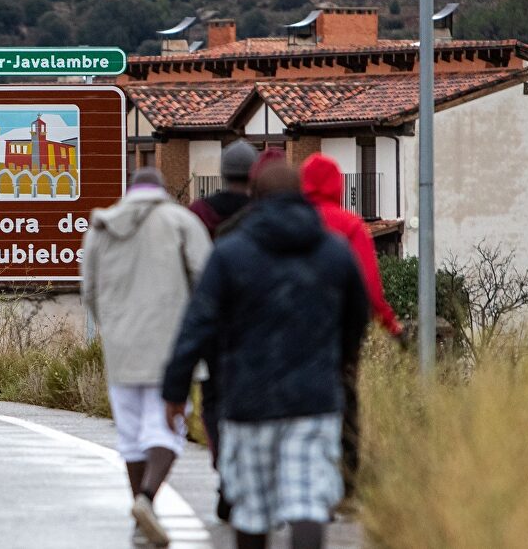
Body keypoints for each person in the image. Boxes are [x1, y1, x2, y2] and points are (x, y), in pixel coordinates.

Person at [162, 162, 369, 549]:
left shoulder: (229, 253)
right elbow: (357, 318)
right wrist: (339, 363)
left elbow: (197, 324)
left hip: (246, 396)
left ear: (254, 197)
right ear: (303, 196)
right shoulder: (335, 253)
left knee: (252, 507)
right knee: (308, 501)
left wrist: (175, 391)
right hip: (314, 396)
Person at [81, 167, 212, 547]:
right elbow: (205, 282)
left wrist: (113, 325)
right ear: (160, 191)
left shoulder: (100, 229)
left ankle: (141, 518)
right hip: (172, 346)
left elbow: (89, 291)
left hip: (121, 346)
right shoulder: (182, 222)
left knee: (132, 434)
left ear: (129, 191)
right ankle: (147, 498)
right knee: (166, 427)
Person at [299, 153, 400, 501]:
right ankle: (346, 482)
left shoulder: (292, 222)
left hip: (292, 330)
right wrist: (390, 325)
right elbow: (370, 286)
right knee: (345, 403)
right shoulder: (349, 225)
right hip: (340, 333)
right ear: (338, 185)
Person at [186, 139, 257, 521]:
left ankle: (224, 467)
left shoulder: (199, 213)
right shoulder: (261, 213)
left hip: (213, 325)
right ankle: (252, 475)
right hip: (257, 325)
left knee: (213, 401)